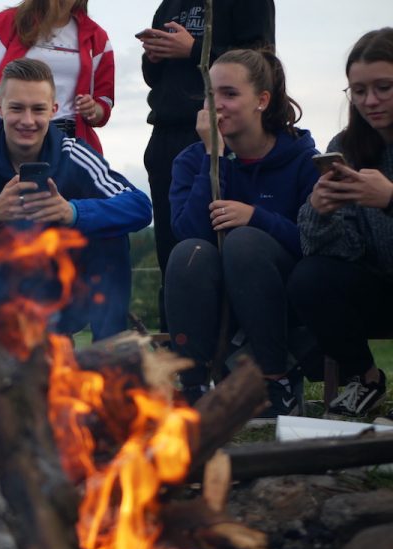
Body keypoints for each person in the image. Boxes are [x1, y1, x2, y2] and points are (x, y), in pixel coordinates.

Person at [0, 58, 152, 341]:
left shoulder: (72, 152)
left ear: (53, 110)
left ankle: (109, 358)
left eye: (38, 109)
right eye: (16, 108)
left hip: (60, 293)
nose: (27, 121)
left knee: (110, 235)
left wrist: (72, 212)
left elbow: (139, 206)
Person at [164, 49, 320, 416]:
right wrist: (211, 157)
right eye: (210, 94)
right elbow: (187, 233)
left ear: (262, 101)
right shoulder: (191, 160)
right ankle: (195, 386)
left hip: (283, 295)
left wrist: (256, 217)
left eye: (230, 94)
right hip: (214, 297)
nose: (217, 105)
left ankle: (274, 381)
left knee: (244, 241)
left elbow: (314, 242)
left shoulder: (301, 159)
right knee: (189, 252)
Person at [138, 0, 275, 331]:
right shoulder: (170, 3)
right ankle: (183, 362)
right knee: (173, 255)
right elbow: (154, 78)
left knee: (223, 247)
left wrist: (195, 48)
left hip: (223, 132)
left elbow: (263, 61)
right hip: (166, 132)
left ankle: (236, 356)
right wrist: (153, 56)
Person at [288, 28, 393, 421]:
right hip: (378, 287)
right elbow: (338, 250)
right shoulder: (348, 146)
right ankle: (365, 379)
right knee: (309, 277)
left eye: (383, 87)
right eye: (359, 90)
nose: (371, 101)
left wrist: (389, 199)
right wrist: (320, 210)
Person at [0, 0, 113, 153]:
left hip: (68, 144)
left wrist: (92, 109)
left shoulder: (97, 37)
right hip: (3, 139)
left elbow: (104, 102)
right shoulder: (6, 22)